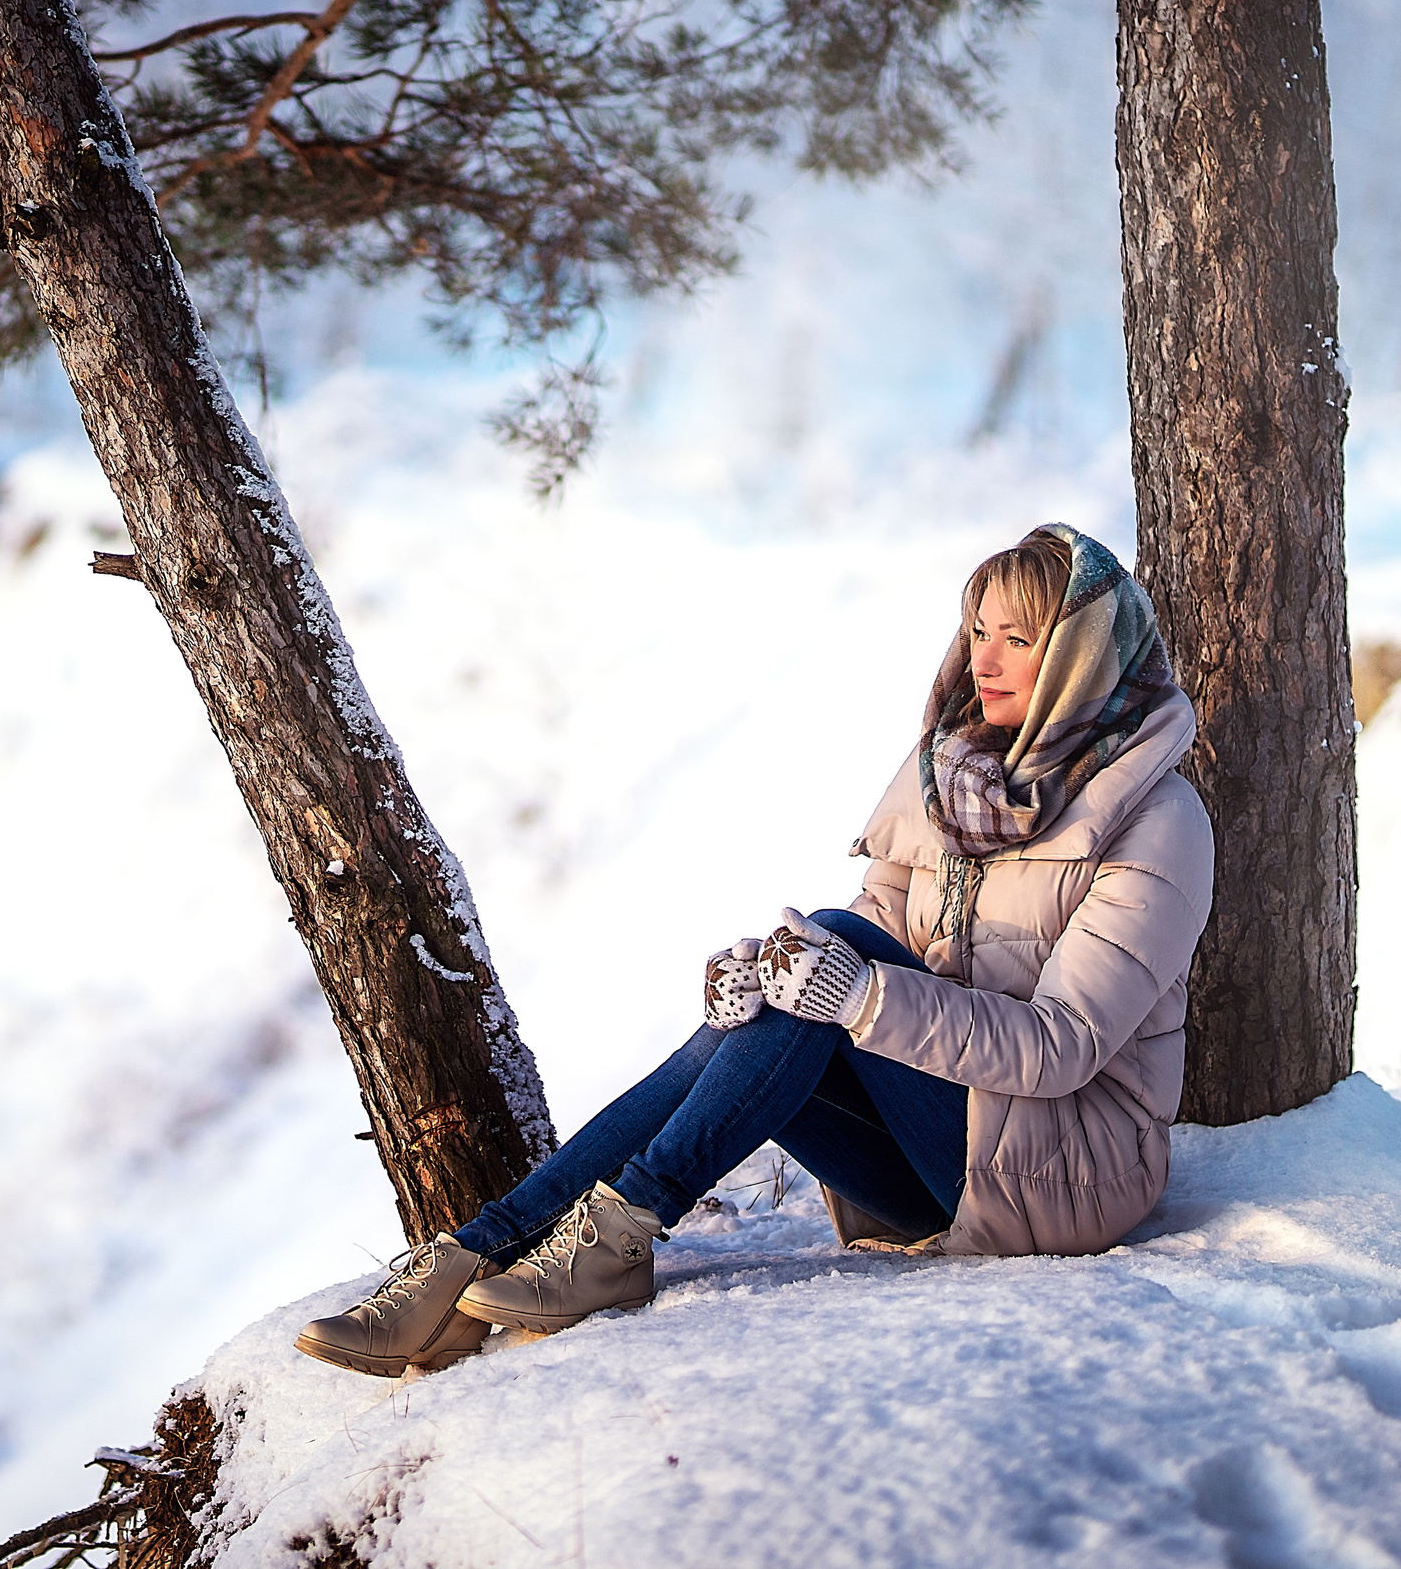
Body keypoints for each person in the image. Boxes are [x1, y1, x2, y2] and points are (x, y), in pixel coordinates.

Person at [294, 525, 1215, 1378]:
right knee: (805, 972)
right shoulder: (956, 777)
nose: (982, 659)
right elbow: (877, 939)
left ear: (1079, 655)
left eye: (1016, 638)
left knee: (835, 948)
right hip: (932, 1155)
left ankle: (609, 1236)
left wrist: (850, 991)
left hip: (1064, 1171)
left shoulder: (1155, 820)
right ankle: (470, 1263)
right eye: (976, 630)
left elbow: (1060, 1048)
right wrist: (764, 974)